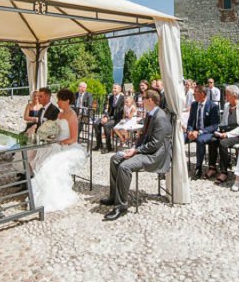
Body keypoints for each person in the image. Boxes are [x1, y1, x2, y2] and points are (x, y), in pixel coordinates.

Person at [100, 89, 172, 221]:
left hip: (154, 155)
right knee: (115, 158)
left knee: (124, 167)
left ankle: (121, 206)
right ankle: (114, 196)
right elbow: (143, 136)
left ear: (150, 100)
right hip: (144, 150)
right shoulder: (150, 114)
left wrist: (136, 151)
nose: (141, 100)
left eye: (143, 98)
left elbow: (155, 144)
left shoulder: (160, 117)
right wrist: (133, 147)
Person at [30, 89, 87, 212]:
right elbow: (56, 130)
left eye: (59, 99)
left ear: (67, 101)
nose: (58, 102)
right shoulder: (60, 114)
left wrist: (60, 142)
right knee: (38, 156)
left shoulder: (72, 116)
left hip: (69, 147)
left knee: (50, 165)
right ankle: (36, 193)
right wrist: (49, 135)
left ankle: (52, 198)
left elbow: (73, 138)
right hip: (57, 144)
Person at [208, 85, 239, 183]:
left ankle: (224, 171)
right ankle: (212, 167)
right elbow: (224, 122)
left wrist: (227, 134)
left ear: (234, 96)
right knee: (212, 140)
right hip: (227, 131)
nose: (225, 96)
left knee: (223, 143)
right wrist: (219, 131)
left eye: (227, 94)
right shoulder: (227, 106)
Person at [185, 85, 220, 178]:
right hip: (194, 131)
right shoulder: (194, 105)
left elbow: (214, 126)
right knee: (178, 138)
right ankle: (175, 164)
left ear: (202, 94)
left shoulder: (213, 106)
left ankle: (198, 167)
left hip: (206, 132)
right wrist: (189, 131)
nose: (193, 95)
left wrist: (199, 132)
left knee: (200, 140)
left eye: (195, 93)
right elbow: (190, 121)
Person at [94, 84, 124, 152]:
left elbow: (119, 113)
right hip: (109, 117)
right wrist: (105, 116)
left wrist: (108, 118)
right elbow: (108, 109)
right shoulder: (111, 97)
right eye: (113, 88)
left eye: (115, 88)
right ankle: (99, 145)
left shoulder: (122, 99)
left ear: (120, 89)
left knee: (106, 125)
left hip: (117, 118)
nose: (114, 90)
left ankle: (108, 147)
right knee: (96, 123)